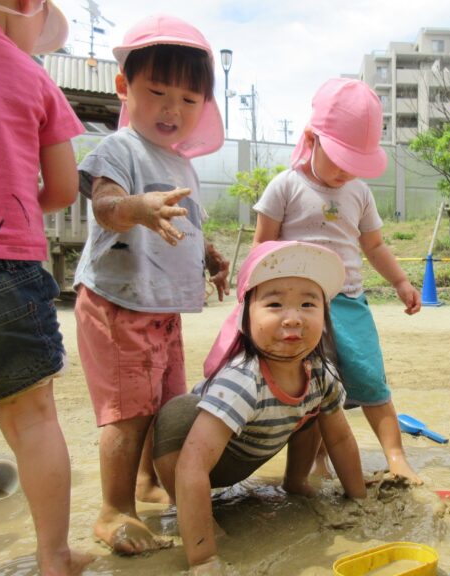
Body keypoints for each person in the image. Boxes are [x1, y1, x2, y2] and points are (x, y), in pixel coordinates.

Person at [72, 14, 230, 555]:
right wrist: (136, 207)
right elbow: (108, 207)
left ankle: (147, 483)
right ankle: (114, 509)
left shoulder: (182, 165)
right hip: (118, 305)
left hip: (161, 310)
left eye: (189, 100)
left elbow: (189, 225)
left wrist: (211, 259)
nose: (172, 109)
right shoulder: (120, 149)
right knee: (128, 410)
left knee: (166, 405)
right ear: (125, 88)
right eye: (157, 92)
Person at [0, 1, 94, 574]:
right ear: (22, 7)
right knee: (31, 416)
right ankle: (54, 557)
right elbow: (62, 187)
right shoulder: (30, 74)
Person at [245, 78, 422, 484]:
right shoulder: (286, 186)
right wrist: (254, 304)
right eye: (339, 159)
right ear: (311, 139)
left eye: (355, 164)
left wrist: (400, 283)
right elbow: (262, 248)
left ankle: (396, 457)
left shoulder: (358, 192)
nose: (345, 172)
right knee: (311, 385)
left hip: (349, 303)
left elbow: (374, 246)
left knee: (369, 377)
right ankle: (317, 460)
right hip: (300, 308)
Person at [152, 240, 367, 574]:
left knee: (313, 411)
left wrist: (359, 501)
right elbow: (192, 466)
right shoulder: (242, 380)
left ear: (325, 317)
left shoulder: (321, 373)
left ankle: (296, 482)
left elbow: (339, 440)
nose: (293, 318)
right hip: (201, 459)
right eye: (275, 304)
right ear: (244, 317)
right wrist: (204, 558)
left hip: (253, 445)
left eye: (309, 304)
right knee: (178, 413)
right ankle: (187, 508)